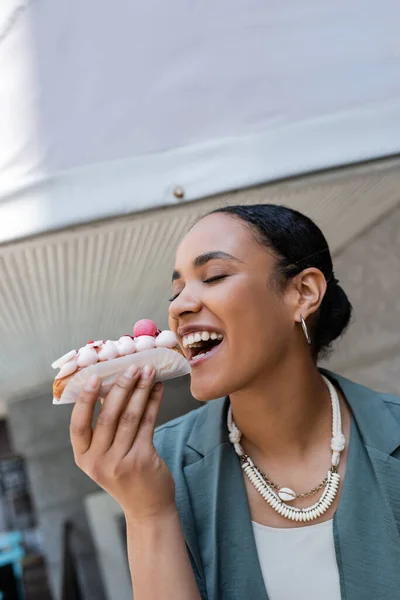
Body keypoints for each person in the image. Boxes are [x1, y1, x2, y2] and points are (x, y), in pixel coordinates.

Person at [70, 204, 400, 600]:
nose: (178, 307)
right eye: (177, 292)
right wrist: (148, 513)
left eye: (214, 276)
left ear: (304, 293)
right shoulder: (159, 466)